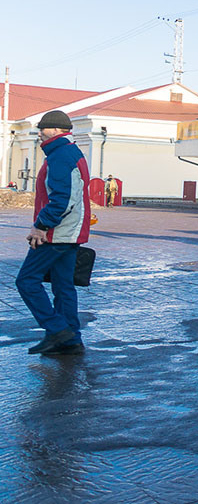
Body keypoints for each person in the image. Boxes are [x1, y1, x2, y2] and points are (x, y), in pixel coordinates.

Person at [14, 110, 90, 355]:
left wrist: (41, 225)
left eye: (42, 129)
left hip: (56, 234)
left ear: (57, 131)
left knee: (26, 280)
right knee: (63, 286)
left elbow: (62, 199)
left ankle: (57, 329)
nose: (38, 134)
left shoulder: (60, 155)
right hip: (69, 233)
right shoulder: (70, 152)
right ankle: (71, 340)